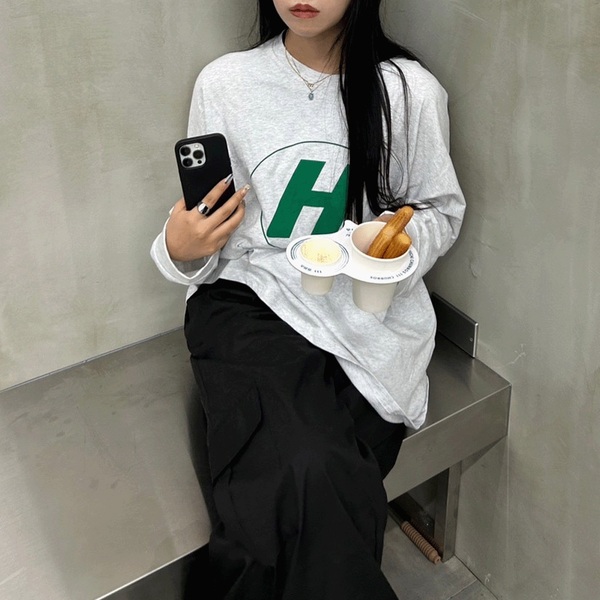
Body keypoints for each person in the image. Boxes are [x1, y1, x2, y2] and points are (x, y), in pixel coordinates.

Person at [151, 1, 465, 598]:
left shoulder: (409, 92)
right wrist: (179, 246)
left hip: (366, 317)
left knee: (294, 482)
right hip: (250, 303)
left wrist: (389, 247)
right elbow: (206, 240)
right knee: (312, 467)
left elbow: (439, 212)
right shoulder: (226, 83)